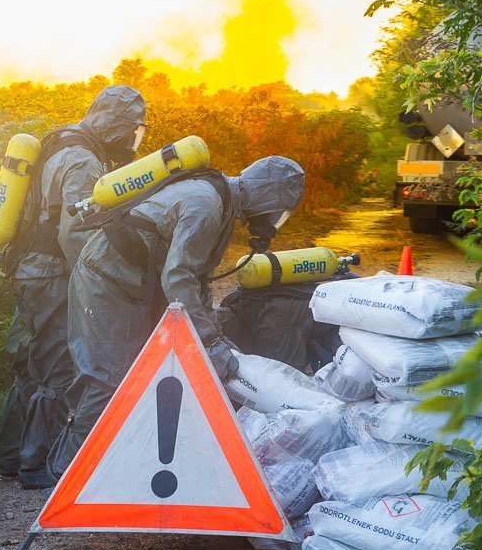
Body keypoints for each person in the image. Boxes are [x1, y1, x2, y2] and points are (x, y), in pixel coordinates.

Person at [43, 155, 306, 485]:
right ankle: (71, 478)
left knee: (139, 376)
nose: (272, 221)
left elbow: (198, 280)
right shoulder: (206, 205)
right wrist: (208, 342)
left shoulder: (222, 203)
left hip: (132, 283)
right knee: (107, 379)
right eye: (276, 211)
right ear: (267, 196)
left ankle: (113, 469)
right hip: (104, 280)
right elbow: (178, 279)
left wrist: (216, 334)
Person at [0, 85, 147, 488]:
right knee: (58, 367)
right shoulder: (83, 160)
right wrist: (96, 281)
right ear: (116, 125)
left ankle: (11, 455)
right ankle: (38, 465)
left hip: (28, 270)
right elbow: (76, 233)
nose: (132, 140)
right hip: (51, 274)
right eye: (132, 130)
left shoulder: (60, 140)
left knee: (29, 360)